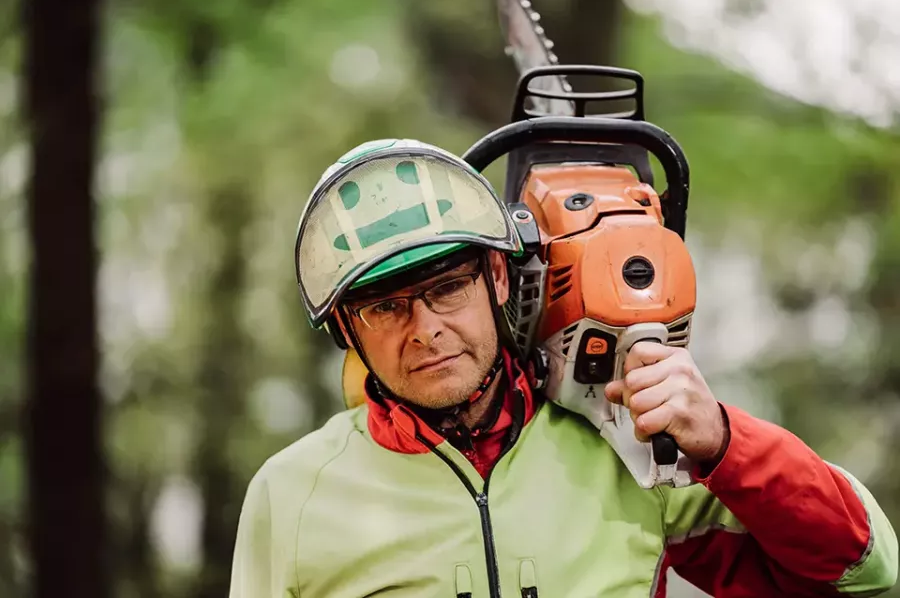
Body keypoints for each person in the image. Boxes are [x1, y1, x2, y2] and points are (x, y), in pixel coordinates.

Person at [229, 139, 898, 598]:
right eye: (387, 308)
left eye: (447, 289)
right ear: (347, 329)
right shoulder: (291, 496)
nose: (426, 329)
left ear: (497, 275)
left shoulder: (630, 445)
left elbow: (864, 571)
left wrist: (725, 441)